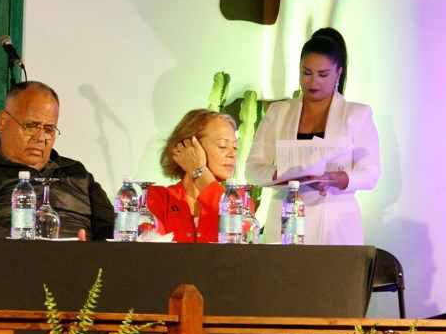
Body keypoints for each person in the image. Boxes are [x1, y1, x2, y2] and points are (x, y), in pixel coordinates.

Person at [246, 28, 381, 245]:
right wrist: (281, 174)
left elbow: (371, 173)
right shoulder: (278, 112)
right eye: (306, 73)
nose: (313, 82)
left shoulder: (357, 114)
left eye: (323, 74)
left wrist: (339, 179)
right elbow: (252, 170)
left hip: (335, 224)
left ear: (338, 72)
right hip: (285, 220)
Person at [0, 81, 113, 240]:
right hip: (8, 266)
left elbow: (114, 232)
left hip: (85, 270)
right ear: (3, 121)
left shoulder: (77, 172)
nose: (41, 137)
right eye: (31, 126)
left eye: (49, 129)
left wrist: (91, 255)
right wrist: (43, 251)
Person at [145, 110, 239, 243]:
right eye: (222, 145)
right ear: (187, 147)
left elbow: (236, 224)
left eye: (235, 147)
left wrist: (198, 171)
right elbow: (150, 254)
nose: (232, 154)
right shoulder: (159, 198)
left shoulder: (239, 200)